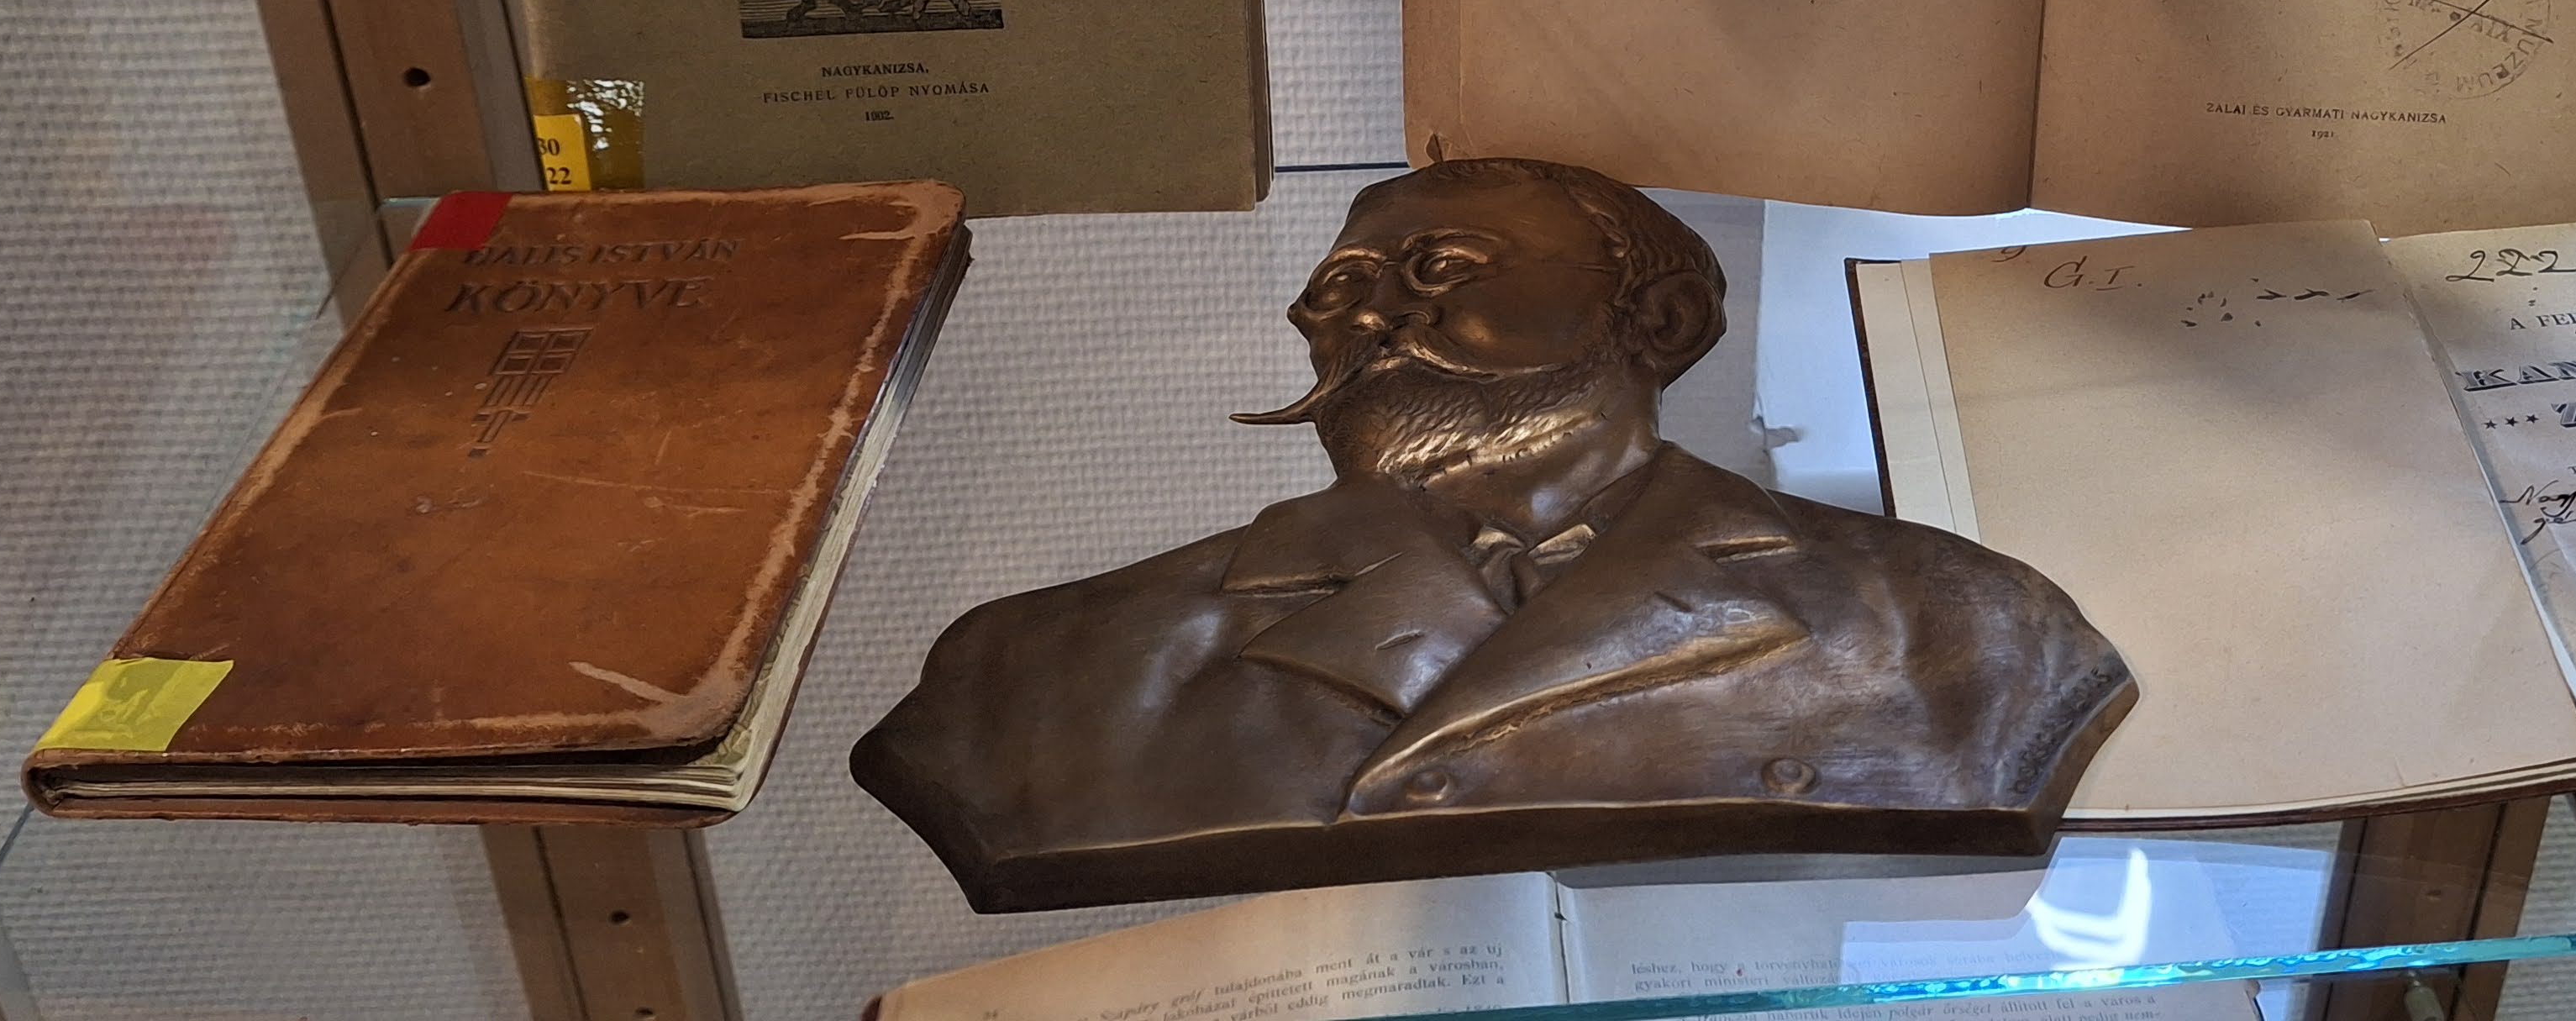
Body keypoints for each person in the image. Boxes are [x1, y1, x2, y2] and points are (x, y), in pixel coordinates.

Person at [853, 157, 2135, 913]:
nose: (1355, 321)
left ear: (1664, 321)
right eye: (1339, 288)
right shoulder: (1031, 671)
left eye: (1436, 270)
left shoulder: (1957, 623)